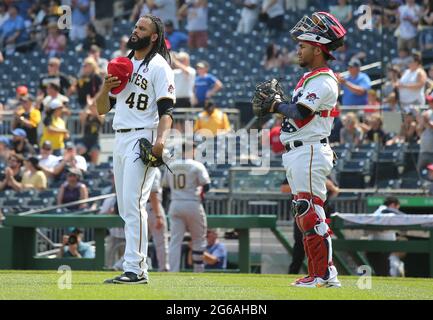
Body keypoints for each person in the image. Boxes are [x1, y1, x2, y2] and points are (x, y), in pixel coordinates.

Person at [257, 11, 346, 287]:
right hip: (299, 150)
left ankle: (324, 274)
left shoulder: (324, 80)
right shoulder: (310, 78)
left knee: (310, 210)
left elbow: (300, 112)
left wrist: (275, 106)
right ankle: (318, 272)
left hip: (308, 150)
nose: (298, 50)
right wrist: (280, 106)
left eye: (303, 46)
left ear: (318, 50)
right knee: (305, 210)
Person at [97, 14, 175, 284]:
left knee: (134, 204)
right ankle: (134, 266)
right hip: (120, 135)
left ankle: (136, 268)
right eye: (135, 26)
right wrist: (104, 88)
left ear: (154, 36)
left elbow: (167, 110)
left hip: (143, 135)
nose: (135, 30)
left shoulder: (159, 66)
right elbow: (101, 109)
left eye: (142, 28)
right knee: (125, 207)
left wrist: (161, 141)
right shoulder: (124, 63)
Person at [165, 142, 210, 273]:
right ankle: (198, 270)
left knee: (175, 241)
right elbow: (206, 186)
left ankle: (173, 272)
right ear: (193, 150)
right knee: (198, 239)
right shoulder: (197, 165)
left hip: (175, 203)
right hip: (192, 202)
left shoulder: (171, 165)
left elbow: (166, 188)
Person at [282, 177, 340, 275]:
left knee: (322, 243)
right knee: (300, 244)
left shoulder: (326, 172)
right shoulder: (299, 168)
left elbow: (336, 190)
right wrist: (309, 183)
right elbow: (284, 188)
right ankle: (294, 273)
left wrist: (329, 186)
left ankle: (323, 273)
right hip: (302, 213)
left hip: (322, 213)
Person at [366, 197, 405, 276]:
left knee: (382, 273)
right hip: (380, 247)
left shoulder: (381, 211)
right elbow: (388, 212)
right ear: (392, 205)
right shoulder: (383, 210)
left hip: (380, 248)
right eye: (396, 208)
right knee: (383, 273)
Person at [147, 167, 169, 271]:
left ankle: (121, 264)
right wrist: (158, 215)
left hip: (141, 207)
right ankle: (164, 268)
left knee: (138, 241)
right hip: (153, 208)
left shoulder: (142, 169)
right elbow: (153, 194)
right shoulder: (154, 170)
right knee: (161, 241)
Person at [417, 94, 433, 172]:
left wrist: (427, 122)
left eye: (432, 101)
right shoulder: (428, 113)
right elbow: (419, 130)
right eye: (429, 101)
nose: (430, 103)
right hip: (424, 150)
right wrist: (420, 120)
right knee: (421, 175)